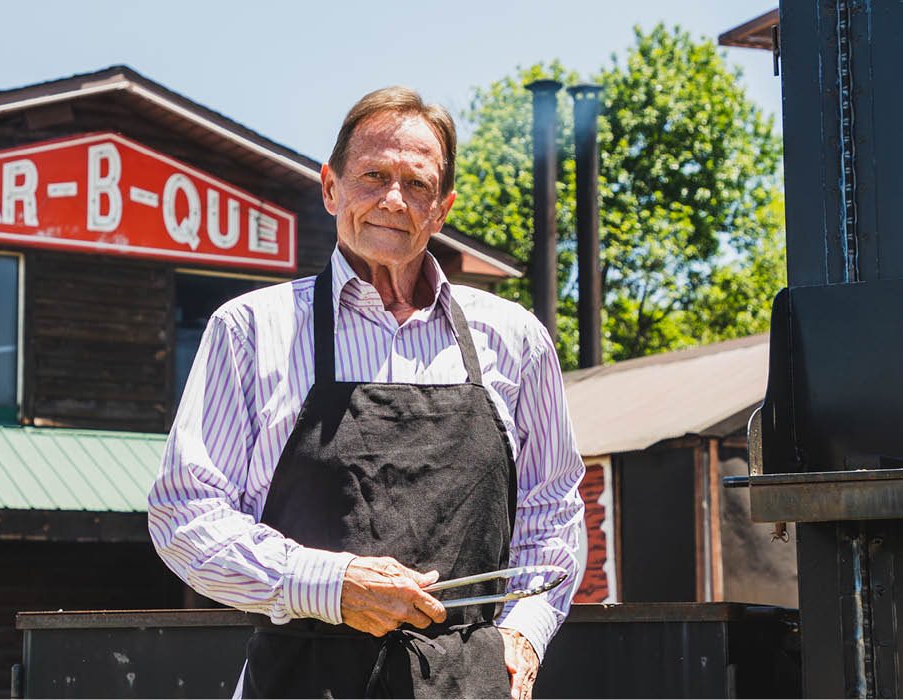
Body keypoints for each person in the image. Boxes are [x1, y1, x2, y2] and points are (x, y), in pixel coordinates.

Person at [149, 86, 585, 699]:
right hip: (302, 680)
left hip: (469, 684)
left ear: (442, 209)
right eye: (372, 176)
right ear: (330, 187)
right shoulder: (250, 330)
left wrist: (524, 635)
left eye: (417, 185)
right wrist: (331, 584)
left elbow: (553, 512)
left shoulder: (515, 340)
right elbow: (184, 518)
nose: (392, 200)